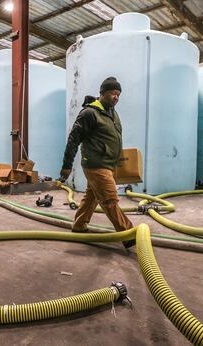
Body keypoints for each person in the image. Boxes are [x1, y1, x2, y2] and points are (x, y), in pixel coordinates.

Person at [60, 77, 135, 249]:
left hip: (108, 164)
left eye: (118, 94)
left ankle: (79, 225)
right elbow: (73, 140)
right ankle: (128, 233)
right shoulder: (90, 113)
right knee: (110, 199)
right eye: (112, 93)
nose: (116, 97)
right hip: (96, 165)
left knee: (92, 197)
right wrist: (67, 165)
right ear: (102, 93)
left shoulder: (112, 112)